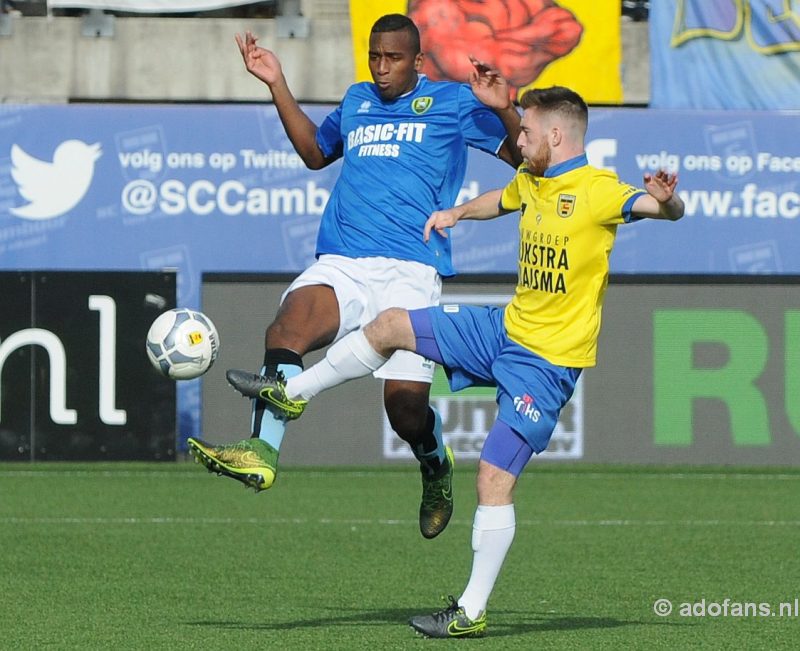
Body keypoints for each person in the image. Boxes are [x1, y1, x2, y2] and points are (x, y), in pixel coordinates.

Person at [244, 85, 685, 637]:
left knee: (493, 481)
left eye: (525, 131)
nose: (516, 138)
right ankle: (293, 394)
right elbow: (498, 201)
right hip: (502, 329)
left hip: (545, 364)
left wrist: (667, 199)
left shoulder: (596, 189)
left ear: (555, 135)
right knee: (390, 326)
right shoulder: (534, 180)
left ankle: (471, 611)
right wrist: (454, 213)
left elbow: (659, 210)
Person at [187, 13, 522, 541]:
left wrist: (505, 108)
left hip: (412, 269)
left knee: (405, 409)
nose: (382, 68)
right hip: (344, 261)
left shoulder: (453, 103)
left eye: (393, 58)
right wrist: (277, 83)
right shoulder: (357, 100)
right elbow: (316, 153)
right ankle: (261, 452)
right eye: (374, 56)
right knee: (286, 331)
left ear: (417, 60)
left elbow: (526, 153)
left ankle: (434, 463)